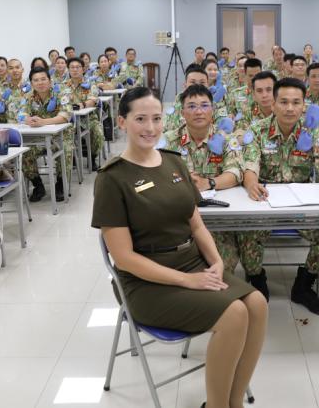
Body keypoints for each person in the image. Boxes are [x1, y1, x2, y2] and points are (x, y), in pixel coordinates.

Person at [92, 86, 266, 408]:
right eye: (140, 118)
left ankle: (234, 401)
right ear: (122, 122)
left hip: (191, 263)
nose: (150, 127)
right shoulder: (111, 179)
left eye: (156, 118)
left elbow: (196, 223)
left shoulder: (174, 162)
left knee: (257, 304)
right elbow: (124, 258)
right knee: (235, 314)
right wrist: (189, 281)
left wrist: (216, 263)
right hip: (145, 283)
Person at [238, 78, 319, 315]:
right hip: (265, 203)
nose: (290, 108)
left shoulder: (313, 131)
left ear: (304, 105)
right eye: (283, 102)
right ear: (273, 104)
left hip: (300, 206)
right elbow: (250, 162)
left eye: (296, 102)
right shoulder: (257, 130)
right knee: (245, 234)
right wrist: (251, 183)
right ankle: (257, 279)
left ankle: (304, 284)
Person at [159, 84, 247, 284]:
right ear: (182, 112)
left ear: (213, 110)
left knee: (224, 266)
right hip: (179, 221)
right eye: (191, 106)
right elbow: (157, 175)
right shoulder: (169, 140)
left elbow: (235, 172)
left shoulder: (226, 139)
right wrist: (182, 181)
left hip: (218, 221)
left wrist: (209, 182)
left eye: (204, 105)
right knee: (179, 269)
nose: (198, 111)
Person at [12, 66, 73, 202]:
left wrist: (43, 122)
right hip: (39, 137)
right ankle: (38, 185)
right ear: (32, 83)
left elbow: (65, 115)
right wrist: (27, 119)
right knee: (24, 152)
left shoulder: (62, 92)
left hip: (61, 136)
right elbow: (21, 114)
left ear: (50, 81)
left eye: (43, 79)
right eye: (36, 80)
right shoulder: (28, 96)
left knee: (67, 150)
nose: (40, 83)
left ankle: (61, 184)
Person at [63, 57, 104, 171]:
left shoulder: (91, 83)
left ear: (83, 69)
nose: (75, 70)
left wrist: (81, 105)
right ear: (68, 69)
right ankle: (72, 158)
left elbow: (93, 100)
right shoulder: (63, 85)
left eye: (78, 67)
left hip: (88, 118)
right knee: (63, 135)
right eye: (72, 67)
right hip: (70, 120)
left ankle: (92, 157)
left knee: (98, 133)